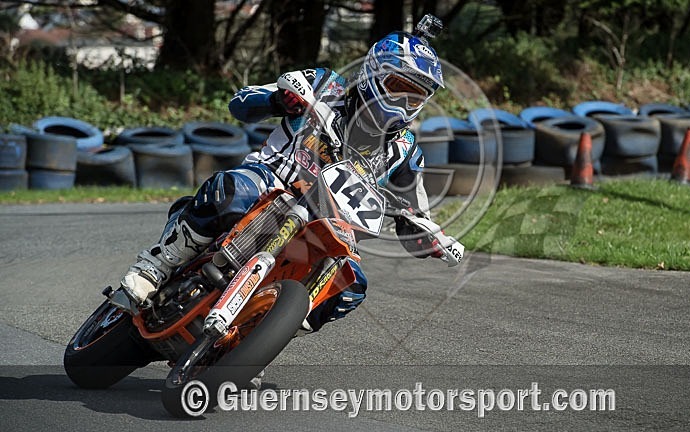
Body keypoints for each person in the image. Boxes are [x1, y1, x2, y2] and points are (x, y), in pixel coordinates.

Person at [120, 15, 453, 333]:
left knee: (351, 285)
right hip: (270, 183)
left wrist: (431, 238)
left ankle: (258, 334)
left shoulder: (406, 151)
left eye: (416, 95)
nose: (405, 101)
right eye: (398, 86)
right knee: (231, 191)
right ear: (372, 73)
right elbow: (241, 102)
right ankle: (157, 265)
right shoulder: (326, 84)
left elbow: (419, 214)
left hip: (327, 227)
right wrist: (280, 101)